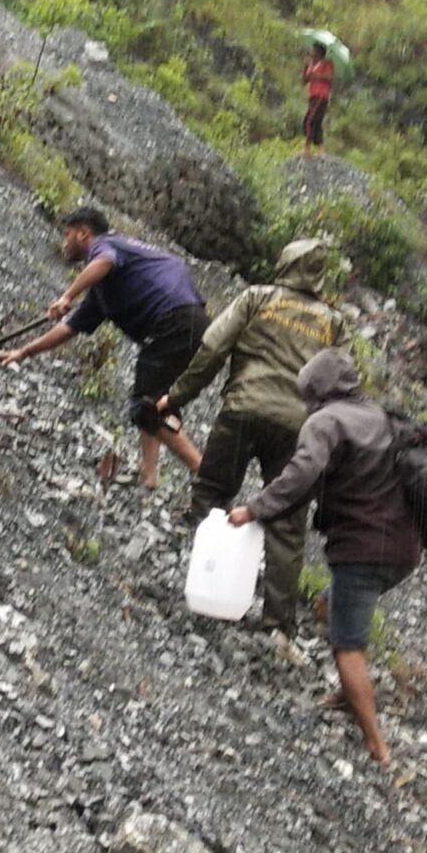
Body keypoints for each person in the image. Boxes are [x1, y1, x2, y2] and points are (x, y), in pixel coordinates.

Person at [228, 350, 421, 764]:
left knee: (347, 646)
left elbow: (301, 473)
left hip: (363, 548)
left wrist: (254, 509)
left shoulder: (325, 421)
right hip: (406, 547)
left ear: (315, 390)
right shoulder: (381, 417)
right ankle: (348, 694)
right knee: (329, 604)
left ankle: (377, 747)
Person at [152, 237, 344, 639]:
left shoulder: (257, 297)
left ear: (285, 261)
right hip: (298, 430)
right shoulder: (333, 322)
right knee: (287, 524)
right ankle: (277, 625)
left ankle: (199, 587)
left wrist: (179, 394)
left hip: (242, 411)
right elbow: (343, 385)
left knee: (211, 495)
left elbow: (213, 347)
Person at [0, 204, 206, 491]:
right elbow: (68, 328)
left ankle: (202, 472)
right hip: (185, 322)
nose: (63, 243)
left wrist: (67, 295)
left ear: (84, 234)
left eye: (67, 235)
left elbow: (104, 261)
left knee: (145, 406)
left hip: (174, 319)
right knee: (153, 400)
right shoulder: (102, 291)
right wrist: (24, 352)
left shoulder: (107, 246)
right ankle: (149, 478)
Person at [302, 46, 335, 156]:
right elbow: (304, 80)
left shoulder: (327, 63)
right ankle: (321, 149)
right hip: (312, 95)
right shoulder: (311, 65)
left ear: (320, 52)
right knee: (316, 122)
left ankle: (307, 148)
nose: (312, 52)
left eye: (314, 50)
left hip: (321, 95)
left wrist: (316, 75)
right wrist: (305, 67)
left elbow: (330, 76)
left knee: (309, 120)